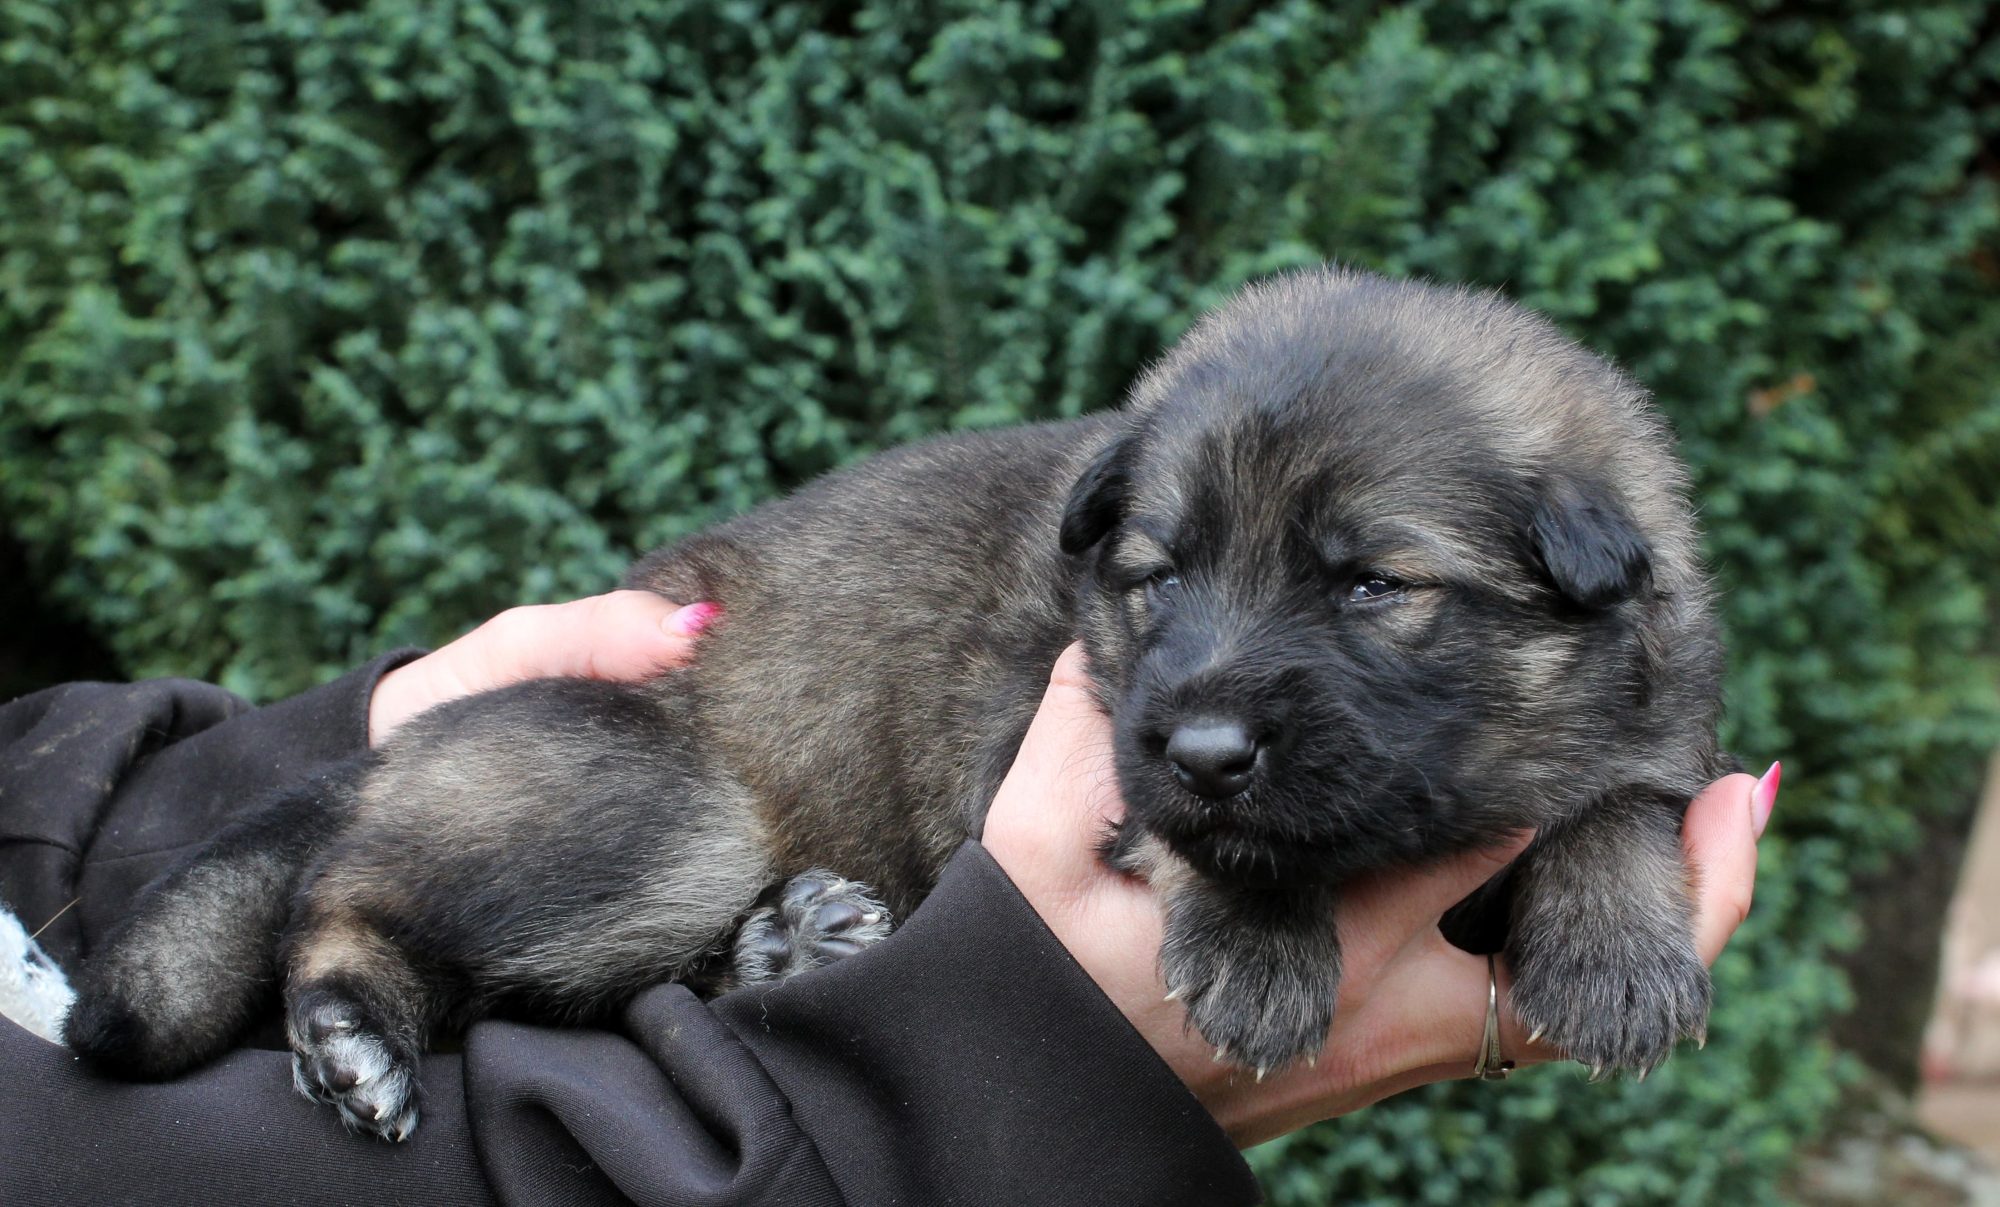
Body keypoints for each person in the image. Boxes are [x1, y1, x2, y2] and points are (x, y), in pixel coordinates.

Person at [0, 590, 1769, 1205]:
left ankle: (369, 928)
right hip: (673, 833)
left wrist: (322, 750)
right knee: (655, 854)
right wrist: (979, 1090)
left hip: (535, 807)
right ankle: (366, 949)